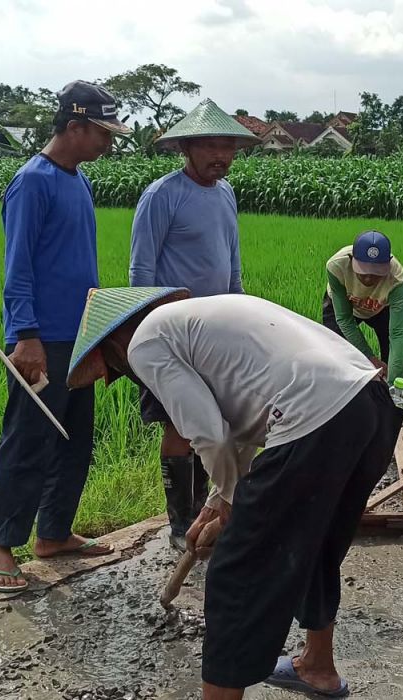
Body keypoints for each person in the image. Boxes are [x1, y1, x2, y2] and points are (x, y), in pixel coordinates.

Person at [65, 289, 403, 700]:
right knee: (315, 541)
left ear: (114, 343)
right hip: (370, 403)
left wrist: (230, 502)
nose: (115, 375)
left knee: (235, 571)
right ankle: (317, 668)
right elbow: (245, 423)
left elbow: (209, 433)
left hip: (316, 415)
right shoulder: (199, 320)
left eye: (110, 367)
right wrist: (217, 502)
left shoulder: (145, 343)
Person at [0, 81, 130, 594]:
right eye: (103, 134)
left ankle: (54, 533)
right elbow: (17, 269)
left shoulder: (78, 179)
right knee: (28, 440)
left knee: (74, 440)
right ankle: (1, 546)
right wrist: (25, 335)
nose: (109, 144)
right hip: (44, 339)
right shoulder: (33, 182)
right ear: (74, 127)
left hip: (83, 334)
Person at [128, 99, 260, 550]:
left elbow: (233, 265)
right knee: (179, 427)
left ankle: (214, 512)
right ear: (186, 147)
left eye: (228, 146)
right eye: (210, 146)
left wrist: (242, 316)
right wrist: (147, 337)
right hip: (174, 334)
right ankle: (181, 522)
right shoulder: (163, 195)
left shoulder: (226, 194)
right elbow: (141, 273)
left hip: (219, 333)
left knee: (220, 423)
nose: (221, 155)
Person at [322, 230, 403, 387]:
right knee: (337, 355)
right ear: (352, 260)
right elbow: (344, 319)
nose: (368, 278)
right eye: (363, 272)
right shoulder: (336, 266)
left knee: (398, 361)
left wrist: (394, 382)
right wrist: (371, 358)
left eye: (376, 273)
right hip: (345, 304)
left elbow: (398, 335)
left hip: (381, 308)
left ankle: (397, 405)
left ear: (388, 265)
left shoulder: (397, 280)